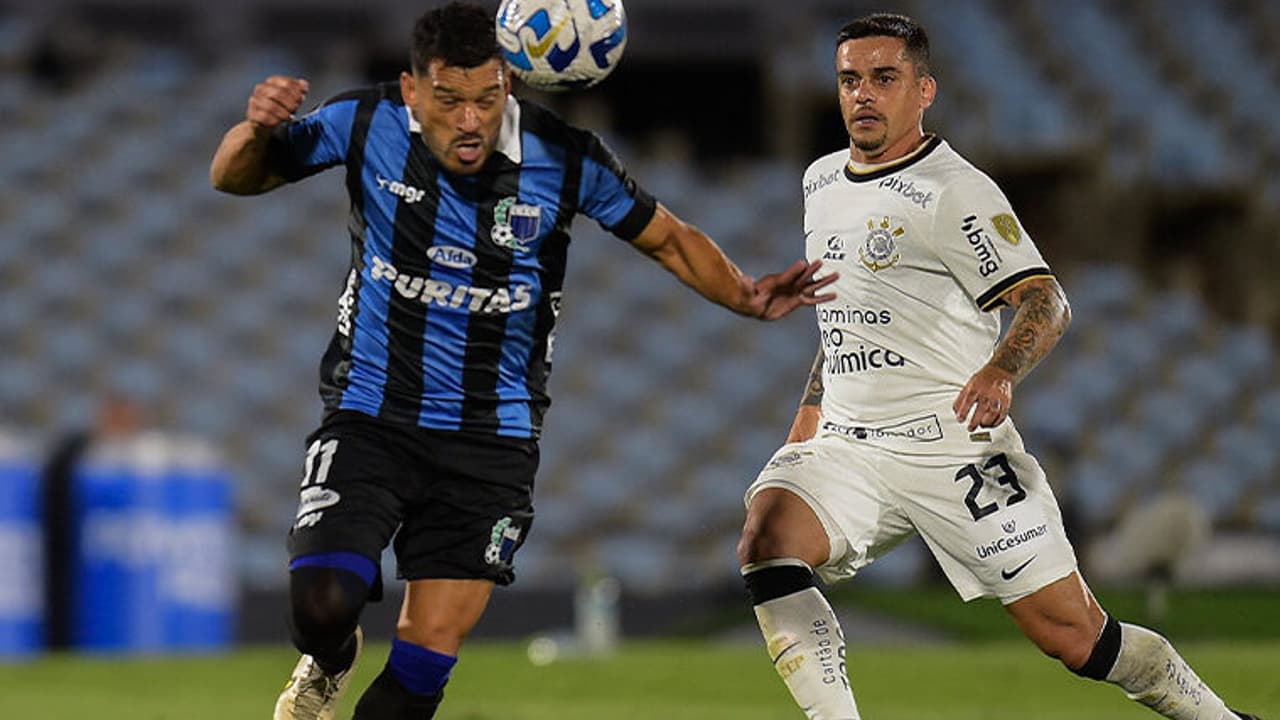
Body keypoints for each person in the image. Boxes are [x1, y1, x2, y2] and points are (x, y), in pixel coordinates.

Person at [209, 3, 835, 719]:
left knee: (424, 657)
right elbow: (235, 177)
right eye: (449, 100)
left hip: (492, 441)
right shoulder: (364, 122)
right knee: (320, 608)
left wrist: (747, 295)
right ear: (414, 91)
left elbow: (667, 237)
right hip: (370, 418)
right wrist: (256, 130)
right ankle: (330, 655)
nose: (470, 120)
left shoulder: (565, 157)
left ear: (509, 81)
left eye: (486, 98)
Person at [736, 13, 1261, 720]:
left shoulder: (958, 192)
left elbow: (1046, 299)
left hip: (955, 450)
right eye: (850, 80)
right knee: (768, 538)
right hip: (852, 447)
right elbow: (847, 318)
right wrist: (808, 419)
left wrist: (1001, 371)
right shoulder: (822, 180)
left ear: (924, 91)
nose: (863, 94)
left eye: (884, 79)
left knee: (1079, 640)